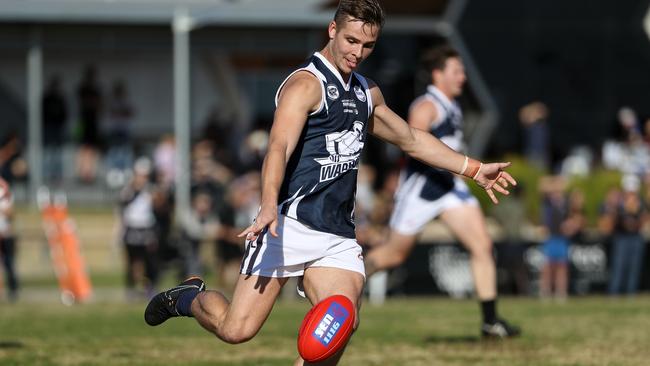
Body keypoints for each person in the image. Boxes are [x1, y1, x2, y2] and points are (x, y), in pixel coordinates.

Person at [145, 2, 516, 363]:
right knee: (236, 329)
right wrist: (268, 203)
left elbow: (411, 139)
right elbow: (278, 147)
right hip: (286, 225)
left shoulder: (366, 93)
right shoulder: (306, 86)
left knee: (340, 322)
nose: (358, 52)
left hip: (336, 235)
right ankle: (188, 296)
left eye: (368, 45)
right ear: (333, 30)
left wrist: (472, 168)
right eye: (351, 41)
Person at [363, 45, 520, 338]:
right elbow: (411, 141)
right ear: (438, 74)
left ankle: (490, 322)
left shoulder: (452, 104)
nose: (462, 77)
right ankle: (345, 281)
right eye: (456, 71)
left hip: (450, 188)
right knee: (393, 256)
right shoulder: (426, 105)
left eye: (462, 71)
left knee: (482, 245)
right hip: (422, 189)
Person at [0, 177, 18, 302]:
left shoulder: (5, 194)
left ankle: (13, 290)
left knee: (9, 263)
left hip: (6, 233)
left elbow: (10, 213)